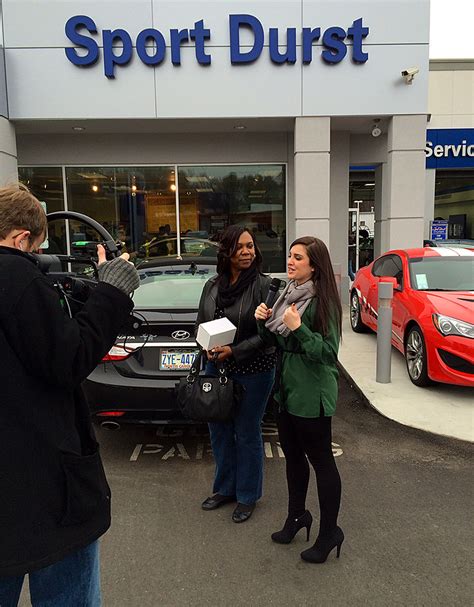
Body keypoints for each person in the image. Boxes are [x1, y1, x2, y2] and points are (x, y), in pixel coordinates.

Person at [0, 184, 140, 605]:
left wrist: (78, 299)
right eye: (37, 247)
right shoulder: (15, 274)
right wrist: (111, 294)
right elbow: (67, 361)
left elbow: (30, 347)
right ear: (22, 238)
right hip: (45, 490)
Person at [255, 236, 343, 563]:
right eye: (290, 256)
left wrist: (300, 329)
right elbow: (275, 340)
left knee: (322, 462)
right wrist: (263, 320)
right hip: (286, 390)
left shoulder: (323, 301)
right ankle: (296, 517)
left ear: (313, 265)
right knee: (292, 457)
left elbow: (328, 353)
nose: (290, 262)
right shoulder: (287, 294)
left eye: (298, 258)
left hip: (312, 393)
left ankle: (330, 531)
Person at [196, 225, 276, 523]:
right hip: (216, 369)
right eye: (240, 247)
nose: (247, 252)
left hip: (254, 370)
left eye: (250, 246)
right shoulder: (212, 286)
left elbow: (270, 336)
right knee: (219, 433)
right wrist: (205, 348)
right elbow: (200, 323)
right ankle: (225, 489)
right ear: (227, 252)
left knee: (246, 432)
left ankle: (247, 495)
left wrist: (235, 350)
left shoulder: (265, 286)